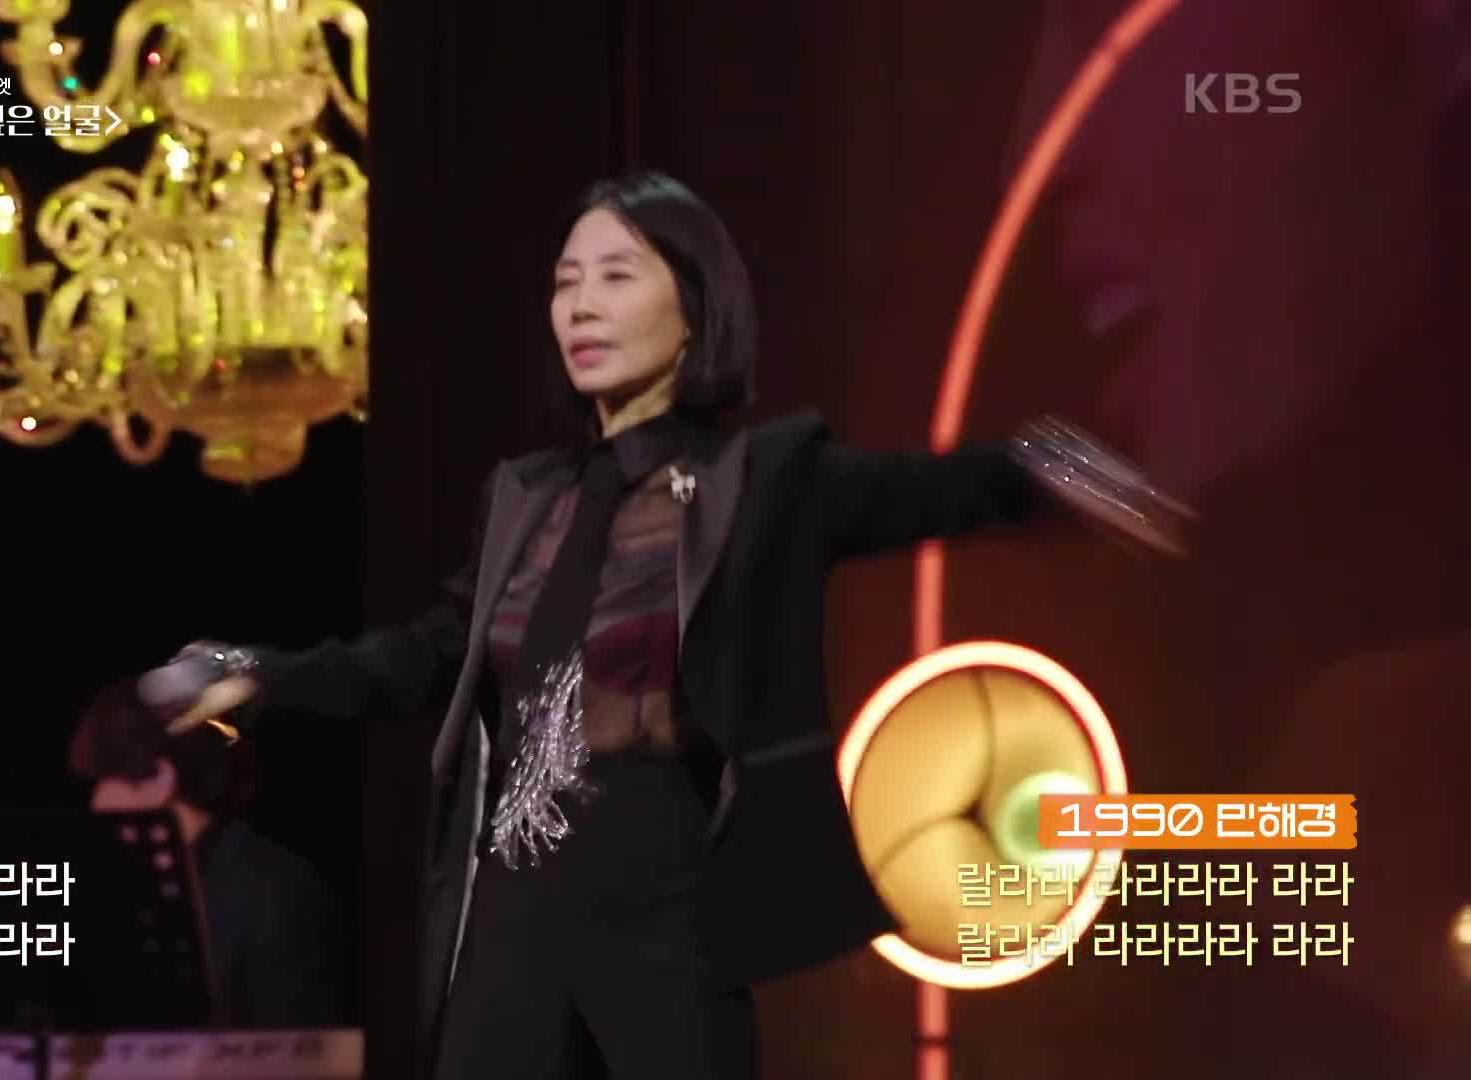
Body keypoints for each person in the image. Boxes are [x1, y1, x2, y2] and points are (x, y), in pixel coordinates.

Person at [162, 171, 1188, 1079]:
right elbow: (425, 654)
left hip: (665, 908)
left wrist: (1052, 471)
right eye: (566, 281)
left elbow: (928, 490)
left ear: (694, 309)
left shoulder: (760, 481)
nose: (580, 305)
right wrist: (262, 671)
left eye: (617, 276)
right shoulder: (525, 497)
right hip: (510, 911)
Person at [70, 676, 352, 1030]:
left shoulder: (277, 892)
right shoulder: (149, 885)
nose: (96, 803)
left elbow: (301, 1050)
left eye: (105, 778)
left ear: (159, 778)